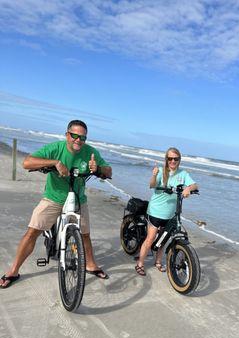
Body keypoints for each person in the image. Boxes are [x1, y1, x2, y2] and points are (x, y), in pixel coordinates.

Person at [0, 120, 112, 288]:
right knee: (32, 232)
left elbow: (108, 172)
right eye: (74, 135)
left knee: (85, 235)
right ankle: (13, 271)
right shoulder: (55, 148)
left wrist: (97, 169)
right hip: (53, 198)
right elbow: (27, 162)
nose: (78, 140)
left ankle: (90, 264)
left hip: (78, 199)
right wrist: (54, 162)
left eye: (82, 137)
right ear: (67, 135)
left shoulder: (90, 152)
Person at [135, 147, 198, 276]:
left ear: (179, 160)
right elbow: (152, 185)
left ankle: (157, 261)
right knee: (151, 238)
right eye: (170, 158)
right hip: (156, 211)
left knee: (164, 238)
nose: (173, 161)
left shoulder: (183, 174)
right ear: (166, 159)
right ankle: (140, 263)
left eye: (176, 159)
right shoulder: (161, 172)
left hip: (171, 213)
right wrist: (153, 175)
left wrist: (188, 189)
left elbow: (195, 185)